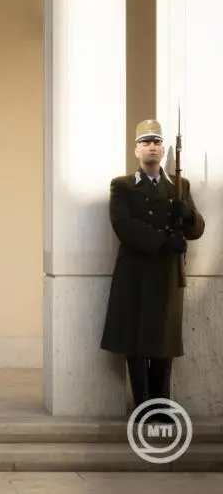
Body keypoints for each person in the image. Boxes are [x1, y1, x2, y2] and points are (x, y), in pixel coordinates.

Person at [100, 119, 205, 422]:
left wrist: (188, 216)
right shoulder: (122, 185)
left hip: (166, 274)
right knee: (135, 341)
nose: (153, 147)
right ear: (136, 150)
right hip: (135, 272)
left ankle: (161, 404)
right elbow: (123, 225)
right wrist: (162, 241)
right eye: (146, 142)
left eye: (157, 142)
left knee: (163, 340)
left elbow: (197, 229)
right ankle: (142, 405)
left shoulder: (179, 186)